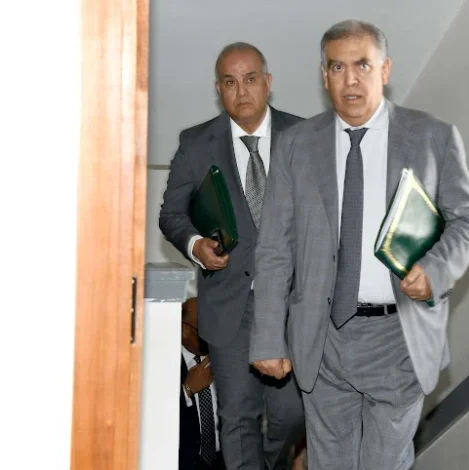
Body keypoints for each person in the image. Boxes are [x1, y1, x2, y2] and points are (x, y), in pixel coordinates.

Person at [249, 19, 469, 470]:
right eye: (337, 67)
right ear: (324, 76)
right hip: (321, 338)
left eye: (362, 65)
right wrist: (267, 336)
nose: (350, 80)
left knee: (385, 461)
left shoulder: (432, 136)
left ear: (386, 70)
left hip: (399, 335)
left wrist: (435, 271)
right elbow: (275, 248)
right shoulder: (296, 145)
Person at [160, 42, 305, 470]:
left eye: (250, 79)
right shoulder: (195, 143)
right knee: (237, 419)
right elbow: (171, 215)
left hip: (291, 304)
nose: (241, 91)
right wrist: (195, 246)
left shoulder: (306, 136)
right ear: (218, 89)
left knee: (291, 415)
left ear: (268, 82)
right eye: (230, 82)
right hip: (228, 306)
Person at [180, 297, 224, 470]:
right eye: (205, 329)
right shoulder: (164, 363)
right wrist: (187, 390)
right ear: (185, 330)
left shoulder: (227, 359)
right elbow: (156, 415)